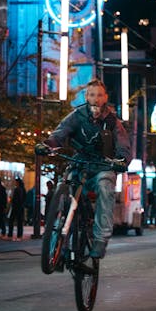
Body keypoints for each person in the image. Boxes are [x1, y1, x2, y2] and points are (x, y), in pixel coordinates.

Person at [36, 77, 132, 259]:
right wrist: (48, 144)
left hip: (103, 166)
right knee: (63, 188)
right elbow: (60, 132)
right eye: (92, 95)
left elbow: (123, 146)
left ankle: (100, 240)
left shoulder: (113, 122)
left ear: (105, 98)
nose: (96, 99)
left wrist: (121, 160)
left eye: (100, 95)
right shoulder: (77, 115)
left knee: (105, 186)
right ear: (87, 97)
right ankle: (58, 241)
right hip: (79, 163)